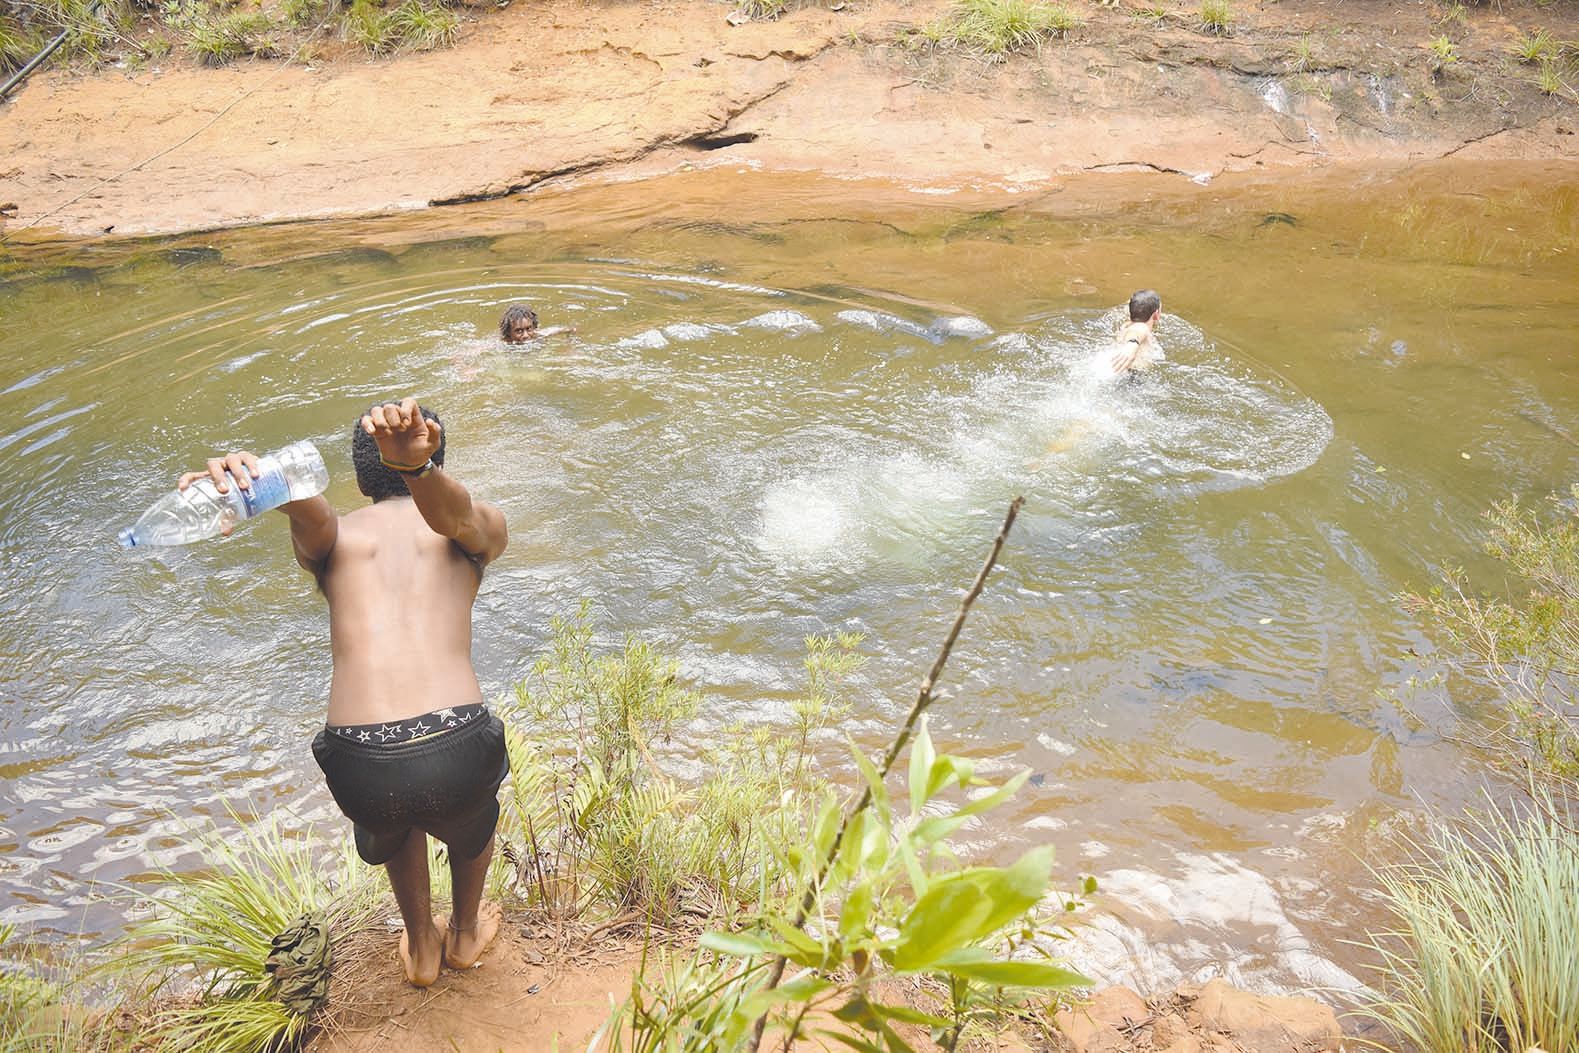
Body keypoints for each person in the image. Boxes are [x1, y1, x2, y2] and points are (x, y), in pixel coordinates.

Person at [179, 398, 509, 987]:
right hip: (456, 741)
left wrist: (272, 482)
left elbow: (311, 518)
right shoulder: (476, 530)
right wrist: (419, 469)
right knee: (474, 817)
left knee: (393, 821)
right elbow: (458, 518)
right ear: (438, 453)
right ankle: (463, 933)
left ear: (359, 480)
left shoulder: (339, 539)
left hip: (360, 756)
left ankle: (421, 947)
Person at [1104, 289, 1164, 376]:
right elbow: (1138, 331)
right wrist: (1132, 344)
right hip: (1135, 377)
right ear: (1156, 314)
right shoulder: (1142, 327)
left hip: (1121, 372)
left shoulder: (1125, 326)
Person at [499, 302, 574, 343]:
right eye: (519, 331)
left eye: (528, 329)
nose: (525, 335)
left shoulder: (539, 335)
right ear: (508, 333)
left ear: (534, 327)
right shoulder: (504, 343)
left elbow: (569, 329)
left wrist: (569, 345)